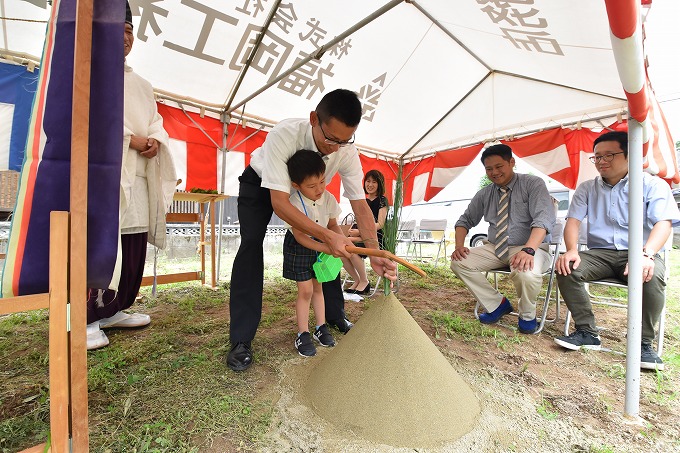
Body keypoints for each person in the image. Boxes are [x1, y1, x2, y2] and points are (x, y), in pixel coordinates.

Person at [227, 89, 397, 372]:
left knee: (330, 246)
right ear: (314, 119)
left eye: (345, 140)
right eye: (330, 138)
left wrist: (374, 250)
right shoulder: (285, 134)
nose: (335, 147)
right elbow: (280, 203)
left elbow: (360, 204)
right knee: (251, 244)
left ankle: (332, 316)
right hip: (260, 184)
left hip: (310, 192)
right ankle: (241, 339)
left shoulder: (345, 149)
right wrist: (330, 236)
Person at [86, 2, 177, 350]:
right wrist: (131, 139)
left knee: (133, 241)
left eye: (129, 31)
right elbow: (92, 122)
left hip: (138, 174)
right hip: (105, 174)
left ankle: (115, 308)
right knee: (102, 244)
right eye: (119, 30)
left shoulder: (141, 83)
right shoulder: (90, 72)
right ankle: (85, 318)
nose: (125, 37)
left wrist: (155, 140)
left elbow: (156, 121)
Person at [554, 131, 679, 370]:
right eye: (597, 157)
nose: (601, 161)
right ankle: (587, 332)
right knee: (566, 266)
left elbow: (663, 222)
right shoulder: (587, 188)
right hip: (600, 253)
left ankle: (643, 343)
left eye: (609, 155)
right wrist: (571, 250)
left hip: (640, 251)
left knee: (651, 276)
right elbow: (573, 221)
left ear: (630, 155)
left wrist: (647, 254)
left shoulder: (652, 184)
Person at [450, 144, 556, 334]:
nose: (494, 172)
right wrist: (459, 245)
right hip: (496, 247)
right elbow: (464, 221)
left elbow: (543, 219)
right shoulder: (484, 193)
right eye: (489, 169)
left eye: (499, 166)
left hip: (530, 246)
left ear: (512, 162)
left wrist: (529, 250)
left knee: (526, 272)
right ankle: (497, 304)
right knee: (459, 262)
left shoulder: (533, 184)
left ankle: (527, 315)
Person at [283, 150, 340, 356]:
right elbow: (300, 236)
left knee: (318, 286)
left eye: (322, 182)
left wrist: (339, 241)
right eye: (312, 186)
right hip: (300, 247)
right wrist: (327, 247)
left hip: (322, 244)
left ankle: (321, 327)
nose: (319, 189)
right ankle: (303, 333)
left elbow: (333, 225)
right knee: (305, 290)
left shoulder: (329, 198)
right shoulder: (294, 202)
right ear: (296, 185)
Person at [342, 169, 389, 295]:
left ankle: (364, 281)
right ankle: (357, 280)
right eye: (368, 181)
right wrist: (353, 230)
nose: (370, 184)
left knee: (349, 246)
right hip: (361, 235)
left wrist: (360, 232)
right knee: (342, 247)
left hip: (375, 237)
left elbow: (380, 224)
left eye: (374, 181)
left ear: (380, 184)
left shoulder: (382, 200)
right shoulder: (362, 200)